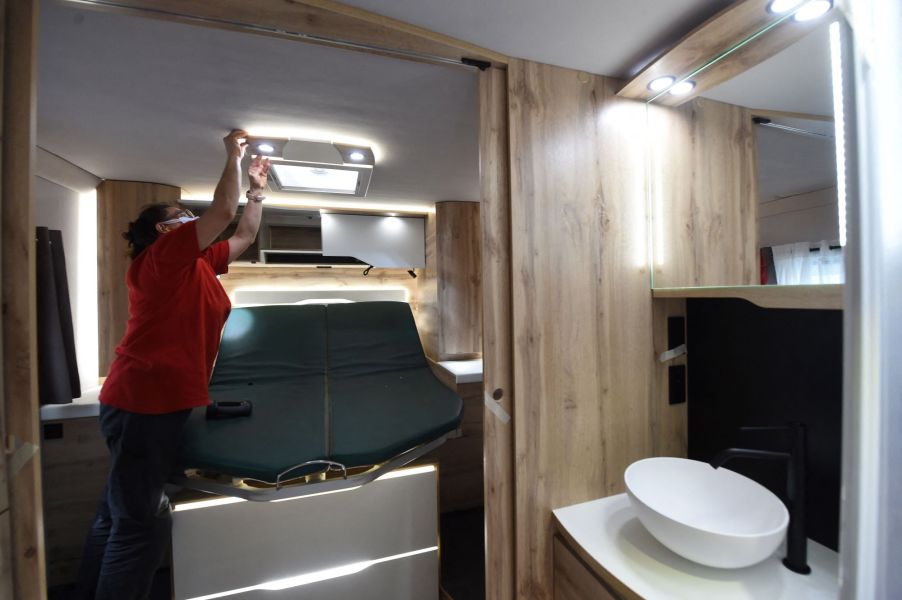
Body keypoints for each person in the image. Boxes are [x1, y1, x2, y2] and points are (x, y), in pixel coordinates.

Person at [75, 129, 270, 599]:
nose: (187, 218)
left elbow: (242, 232)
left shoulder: (199, 262)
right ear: (163, 231)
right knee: (141, 527)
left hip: (151, 404)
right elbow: (222, 214)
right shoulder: (162, 258)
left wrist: (257, 190)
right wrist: (233, 155)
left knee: (117, 513)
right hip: (144, 403)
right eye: (179, 215)